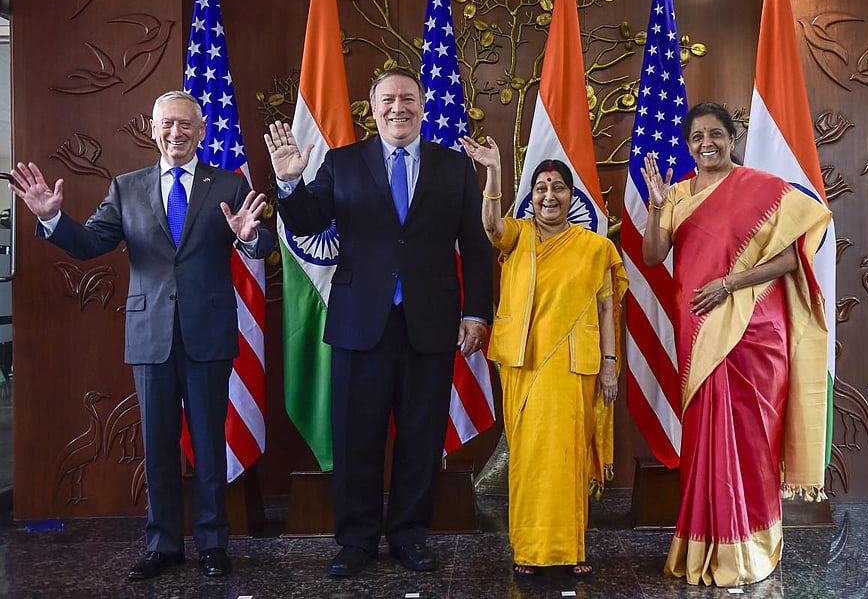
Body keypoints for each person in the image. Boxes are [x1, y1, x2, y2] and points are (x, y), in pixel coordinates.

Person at [10, 90, 274, 581]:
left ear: (201, 131)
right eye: (167, 124)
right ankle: (163, 545)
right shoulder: (126, 187)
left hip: (208, 334)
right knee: (157, 448)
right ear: (153, 130)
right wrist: (49, 216)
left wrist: (247, 235)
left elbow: (263, 243)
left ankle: (214, 544)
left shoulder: (230, 185)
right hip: (150, 333)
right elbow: (91, 243)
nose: (176, 133)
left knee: (211, 446)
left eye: (186, 125)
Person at [265, 68, 493, 577]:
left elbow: (476, 249)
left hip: (431, 324)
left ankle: (410, 535)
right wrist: (288, 181)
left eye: (408, 99)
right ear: (373, 108)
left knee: (420, 436)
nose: (398, 108)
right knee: (356, 438)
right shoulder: (341, 163)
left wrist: (476, 312)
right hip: (358, 324)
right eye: (388, 100)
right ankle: (356, 540)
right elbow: (304, 222)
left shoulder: (454, 168)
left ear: (421, 105)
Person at [640, 102, 832, 586]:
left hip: (753, 330)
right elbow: (652, 255)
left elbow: (792, 259)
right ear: (688, 145)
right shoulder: (678, 193)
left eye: (715, 135)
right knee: (705, 435)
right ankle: (703, 543)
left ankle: (751, 548)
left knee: (751, 437)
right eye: (697, 137)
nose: (706, 144)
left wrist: (731, 283)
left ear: (733, 138)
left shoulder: (764, 191)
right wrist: (658, 205)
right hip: (698, 326)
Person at [460, 135, 628, 579]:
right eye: (540, 189)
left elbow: (608, 305)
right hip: (527, 362)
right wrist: (494, 172)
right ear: (531, 197)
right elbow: (492, 228)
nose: (549, 196)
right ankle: (528, 550)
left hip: (575, 365)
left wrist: (611, 363)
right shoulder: (519, 235)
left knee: (569, 455)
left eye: (557, 188)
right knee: (531, 456)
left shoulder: (595, 247)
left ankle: (570, 550)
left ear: (572, 196)